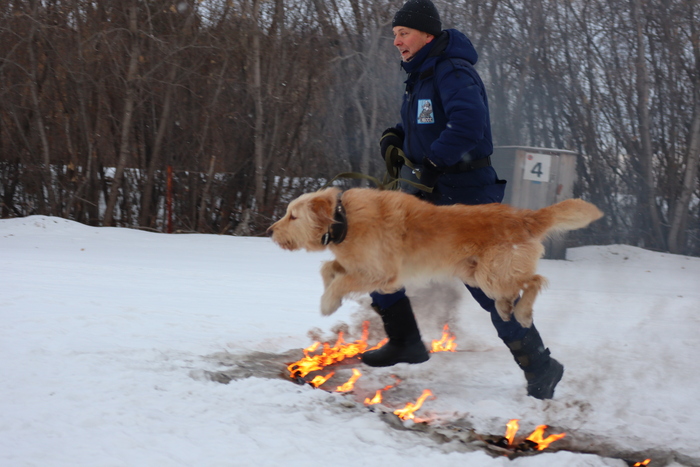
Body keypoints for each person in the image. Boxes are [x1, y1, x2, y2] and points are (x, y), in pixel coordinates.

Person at [359, 0, 564, 400]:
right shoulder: (421, 74)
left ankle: (540, 365)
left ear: (427, 34)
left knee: (488, 289)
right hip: (431, 193)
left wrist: (433, 162)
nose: (396, 41)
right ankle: (405, 341)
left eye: (403, 33)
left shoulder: (452, 70)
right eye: (395, 34)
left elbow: (467, 125)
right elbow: (425, 124)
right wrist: (396, 136)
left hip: (465, 196)